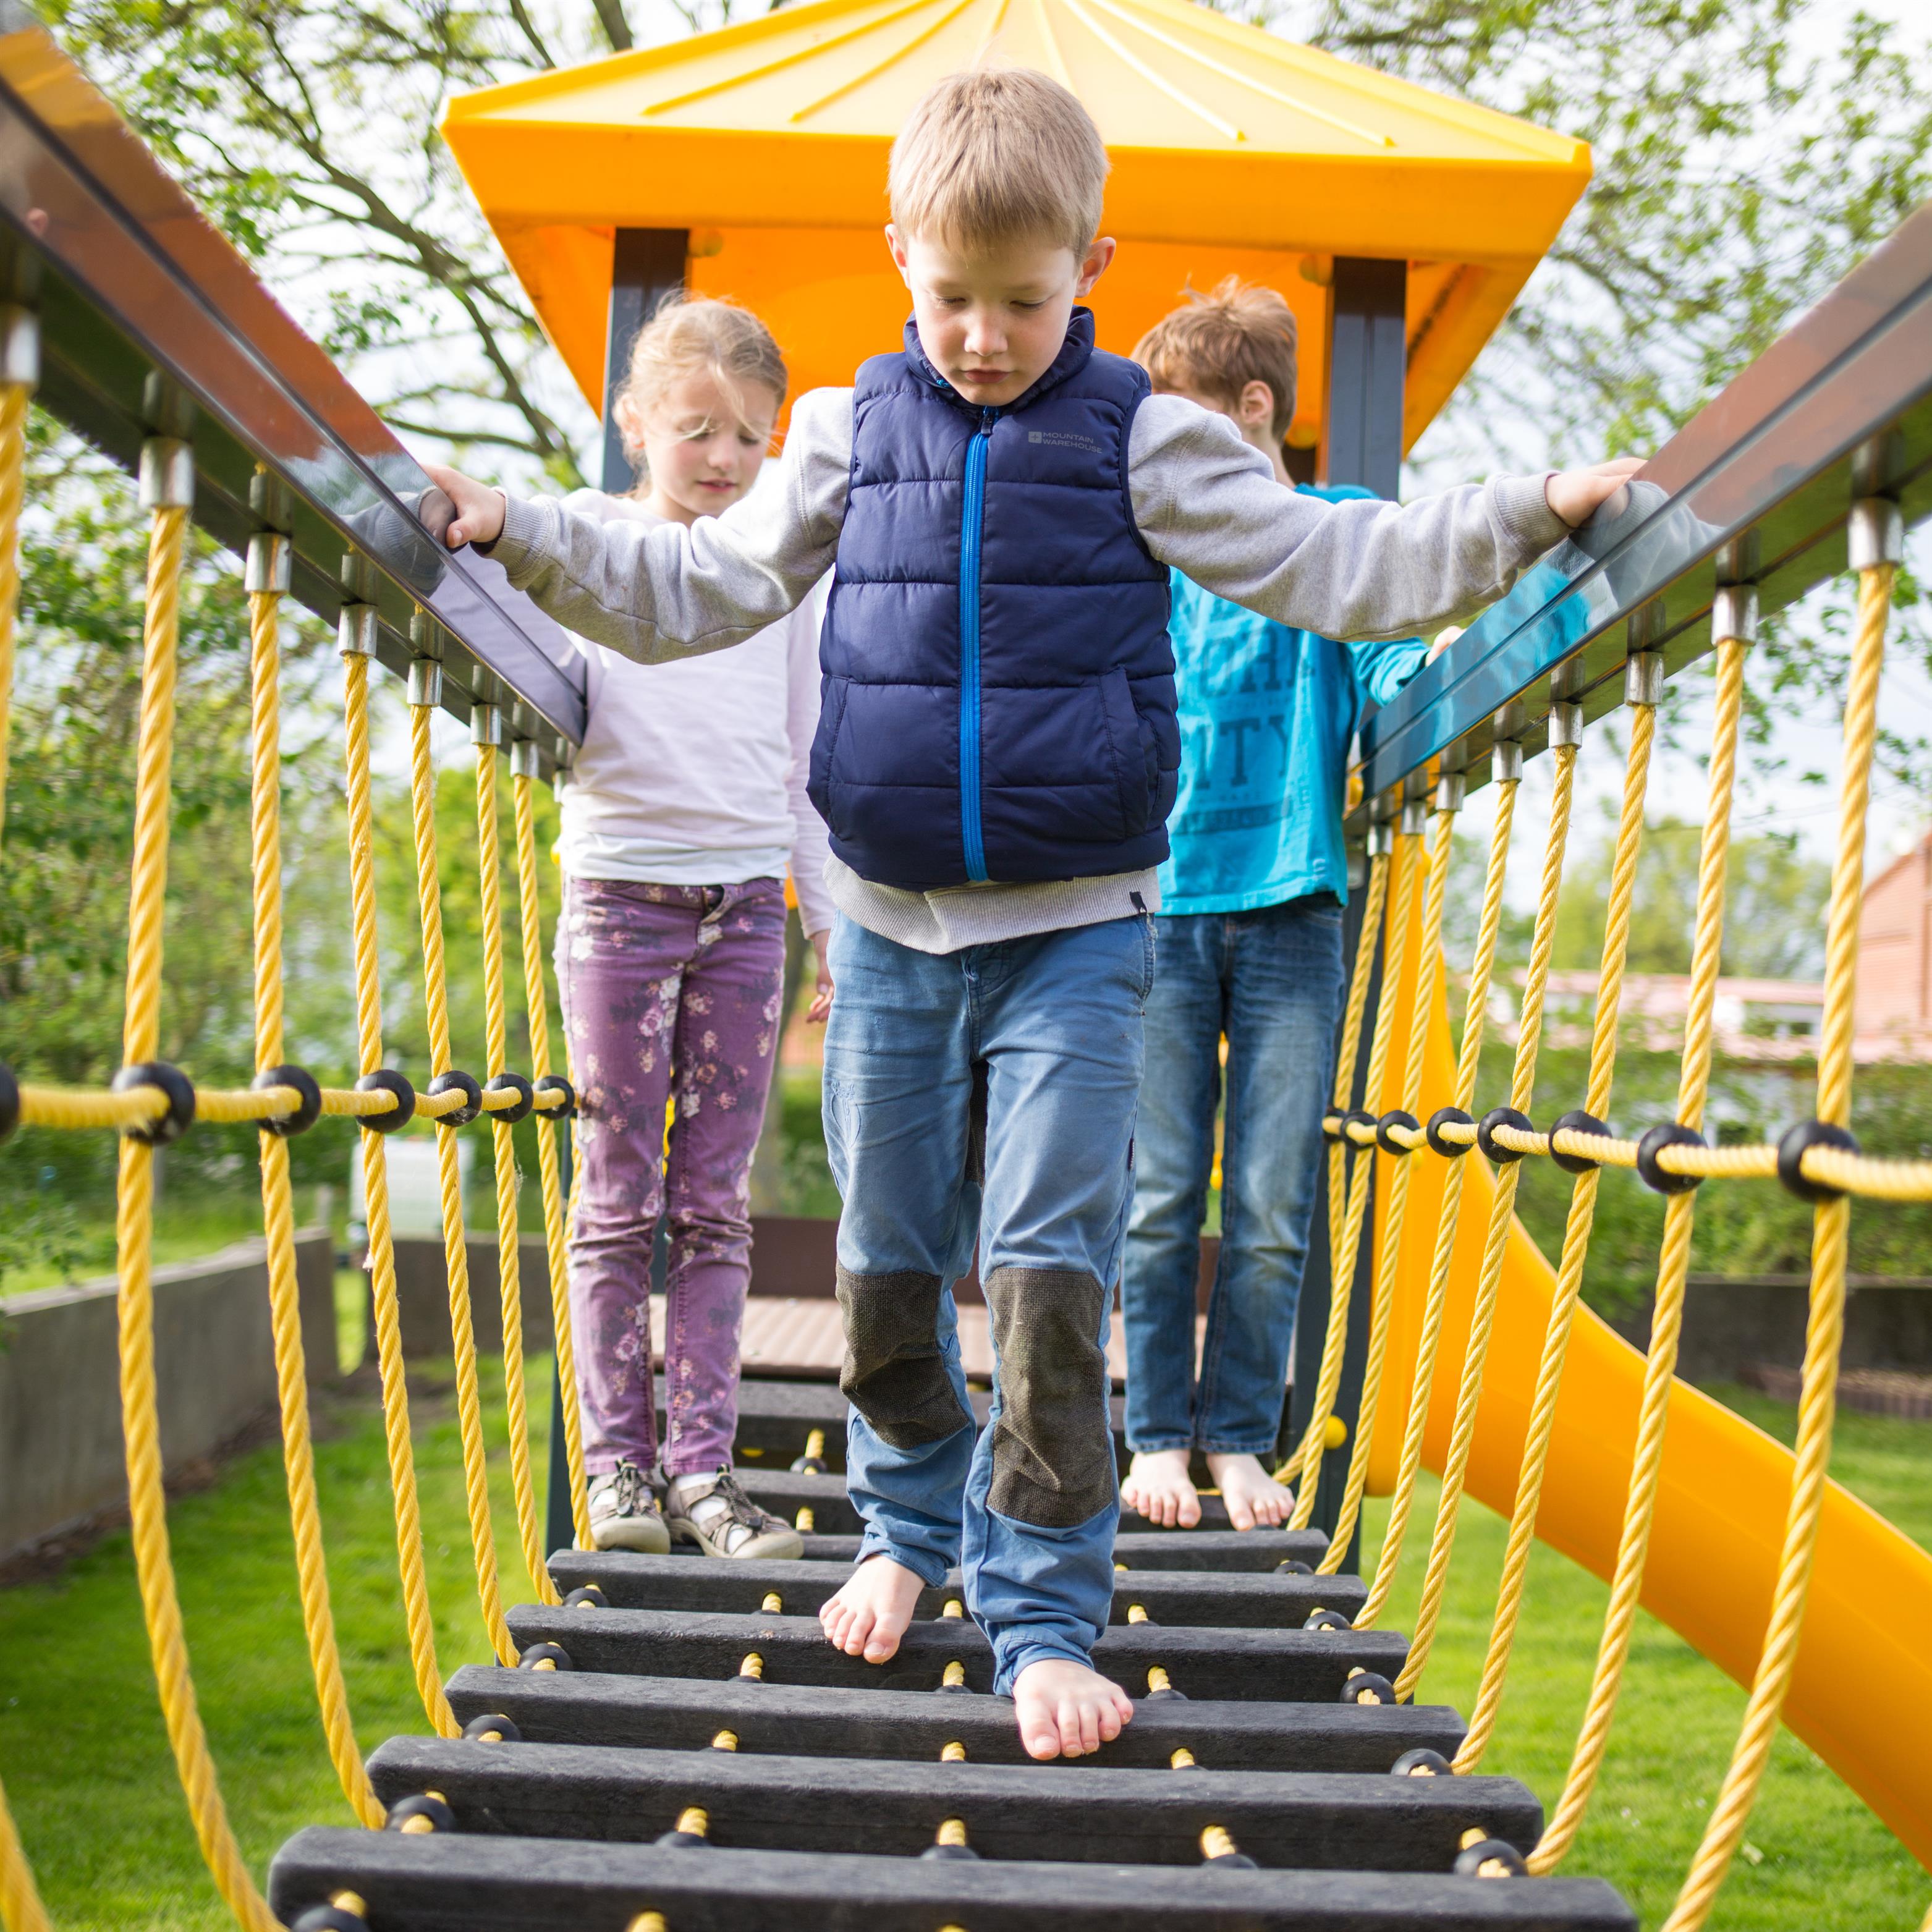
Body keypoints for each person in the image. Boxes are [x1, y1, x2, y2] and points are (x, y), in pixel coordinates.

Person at [422, 68, 1640, 1761]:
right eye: (951, 298)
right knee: (886, 1263)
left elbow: (1329, 561)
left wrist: (1524, 512)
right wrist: (520, 531)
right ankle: (910, 1524)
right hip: (890, 929)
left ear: (1092, 269)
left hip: (1079, 931)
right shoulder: (845, 432)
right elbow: (695, 582)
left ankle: (1048, 1606)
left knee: (1051, 1271)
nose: (985, 338)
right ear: (897, 261)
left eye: (1024, 298)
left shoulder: (1142, 434)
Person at [1117, 280, 1430, 1536]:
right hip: (1162, 902)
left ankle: (1238, 1435)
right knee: (1156, 1192)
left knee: (1266, 1200)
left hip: (1294, 900)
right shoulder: (1157, 555)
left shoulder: (1329, 528)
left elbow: (1395, 648)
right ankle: (1156, 1432)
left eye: (1183, 426)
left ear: (1253, 411)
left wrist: (1426, 678)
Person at [553, 294, 833, 1561]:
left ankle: (704, 1475)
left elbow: (805, 762)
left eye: (750, 437)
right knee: (619, 1195)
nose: (723, 457)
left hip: (745, 913)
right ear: (636, 425)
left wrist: (829, 928)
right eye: (696, 429)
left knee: (716, 1204)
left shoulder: (782, 574)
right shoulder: (594, 547)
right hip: (620, 900)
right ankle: (617, 1471)